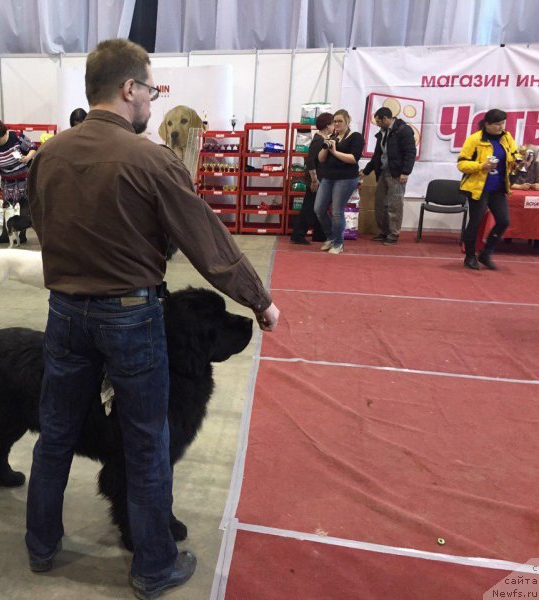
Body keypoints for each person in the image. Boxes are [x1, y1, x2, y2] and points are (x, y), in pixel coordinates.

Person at [24, 38, 280, 599]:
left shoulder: (49, 153)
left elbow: (38, 220)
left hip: (65, 311)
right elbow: (207, 240)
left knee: (56, 433)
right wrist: (258, 298)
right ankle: (154, 566)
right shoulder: (151, 159)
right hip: (130, 315)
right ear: (129, 89)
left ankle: (41, 546)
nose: (152, 102)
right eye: (151, 90)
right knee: (146, 441)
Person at [458, 109, 518, 270]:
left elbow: (514, 154)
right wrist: (481, 166)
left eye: (503, 123)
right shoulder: (474, 140)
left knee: (504, 221)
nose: (501, 127)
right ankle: (470, 257)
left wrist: (519, 161)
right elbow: (461, 164)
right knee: (475, 222)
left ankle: (486, 253)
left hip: (498, 188)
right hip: (478, 189)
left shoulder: (506, 137)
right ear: (487, 124)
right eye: (497, 124)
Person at [358, 106, 416, 245]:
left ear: (385, 119)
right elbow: (377, 155)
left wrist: (405, 172)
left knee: (394, 205)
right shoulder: (382, 133)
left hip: (397, 174)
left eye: (378, 122)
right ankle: (383, 231)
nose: (377, 124)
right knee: (380, 204)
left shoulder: (404, 130)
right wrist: (366, 171)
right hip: (383, 172)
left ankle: (393, 234)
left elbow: (410, 153)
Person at [314, 109, 364, 254]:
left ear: (347, 121)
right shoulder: (332, 137)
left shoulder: (355, 137)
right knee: (319, 209)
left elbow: (354, 158)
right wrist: (326, 146)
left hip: (346, 178)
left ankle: (338, 243)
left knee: (337, 211)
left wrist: (335, 152)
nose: (337, 124)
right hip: (328, 177)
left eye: (340, 121)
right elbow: (321, 159)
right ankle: (330, 237)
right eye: (334, 121)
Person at [0, 118, 37, 244]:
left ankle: (22, 235)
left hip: (24, 179)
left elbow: (33, 147)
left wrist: (27, 157)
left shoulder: (17, 137)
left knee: (25, 207)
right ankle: (5, 234)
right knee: (7, 209)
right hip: (7, 182)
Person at [289, 112, 332, 245]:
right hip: (316, 180)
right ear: (326, 125)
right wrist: (314, 180)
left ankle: (319, 234)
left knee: (320, 207)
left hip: (320, 179)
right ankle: (298, 234)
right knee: (309, 207)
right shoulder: (319, 140)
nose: (334, 126)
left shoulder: (324, 139)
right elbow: (310, 161)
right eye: (332, 123)